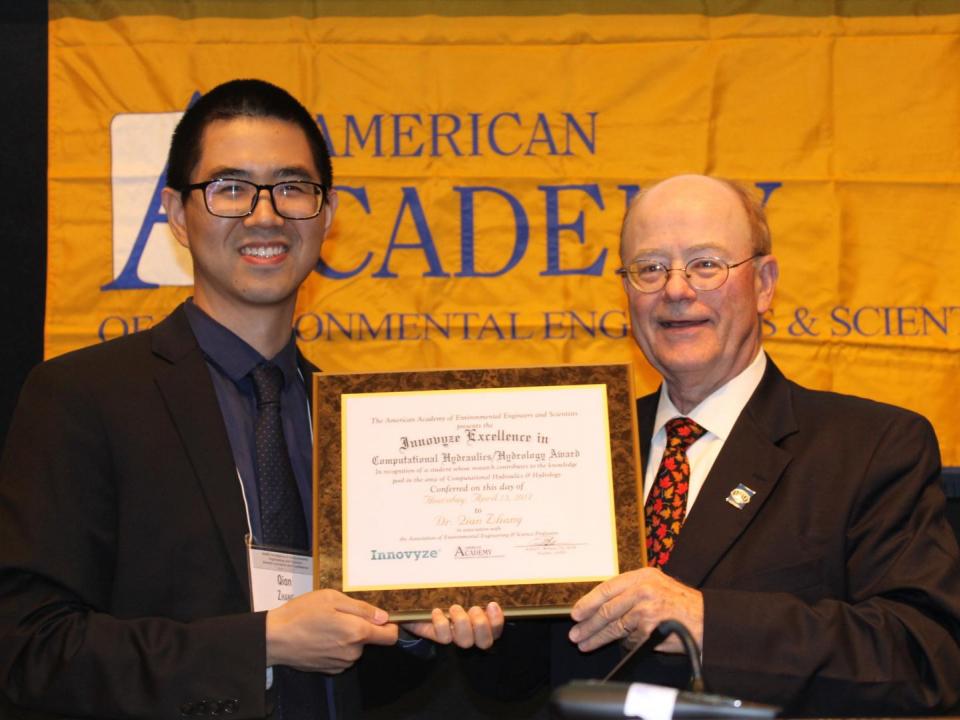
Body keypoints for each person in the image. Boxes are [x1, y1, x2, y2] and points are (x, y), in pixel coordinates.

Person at [0, 78, 501, 720]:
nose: (265, 216)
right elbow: (30, 649)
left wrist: (405, 630)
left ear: (326, 215)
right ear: (178, 216)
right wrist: (262, 643)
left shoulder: (356, 426)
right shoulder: (82, 398)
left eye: (292, 188)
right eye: (230, 188)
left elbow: (343, 683)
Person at [468, 174, 960, 717]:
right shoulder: (576, 452)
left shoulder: (869, 448)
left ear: (765, 284)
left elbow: (925, 657)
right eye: (650, 268)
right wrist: (458, 626)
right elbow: (526, 673)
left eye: (706, 264)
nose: (676, 290)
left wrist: (707, 622)